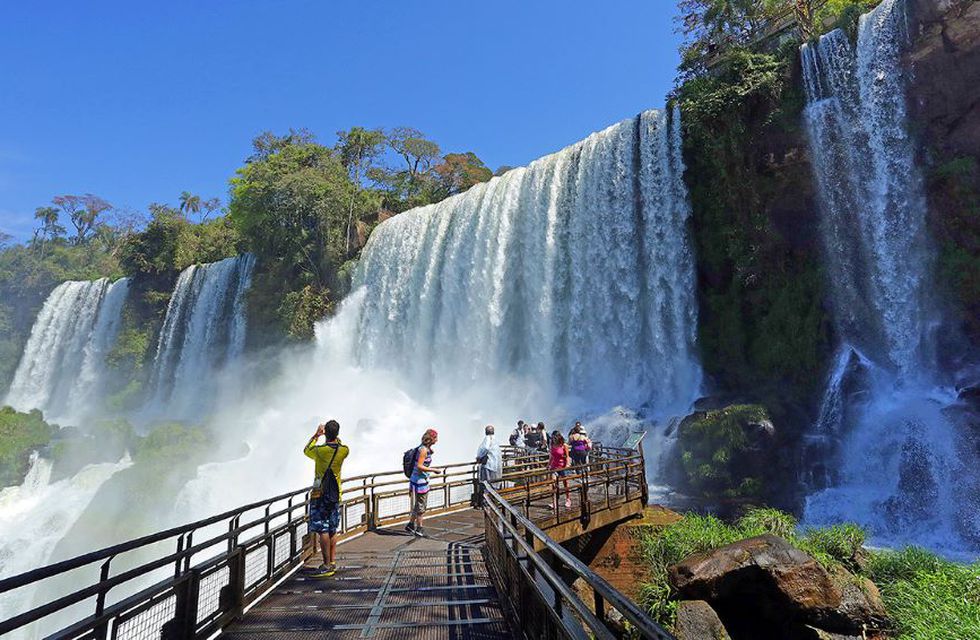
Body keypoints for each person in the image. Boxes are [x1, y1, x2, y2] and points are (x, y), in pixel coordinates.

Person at [303, 419, 349, 578]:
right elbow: (340, 443)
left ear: (325, 433)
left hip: (320, 495)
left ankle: (326, 565)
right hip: (336, 494)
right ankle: (332, 561)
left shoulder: (319, 451)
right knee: (332, 528)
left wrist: (316, 435)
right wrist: (333, 436)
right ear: (337, 434)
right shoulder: (344, 450)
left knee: (322, 529)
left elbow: (306, 450)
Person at [406, 428, 441, 538]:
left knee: (418, 503)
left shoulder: (424, 448)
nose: (437, 440)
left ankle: (411, 525)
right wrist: (434, 470)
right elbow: (420, 466)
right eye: (435, 438)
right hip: (420, 482)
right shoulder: (423, 450)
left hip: (417, 479)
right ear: (431, 439)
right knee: (421, 506)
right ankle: (419, 529)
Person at [475, 424, 502, 506]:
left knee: (486, 484)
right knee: (495, 484)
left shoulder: (488, 438)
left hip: (489, 465)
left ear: (485, 432)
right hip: (497, 465)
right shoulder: (496, 439)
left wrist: (479, 456)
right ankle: (495, 502)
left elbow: (485, 448)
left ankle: (486, 504)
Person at [548, 431, 572, 510]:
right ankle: (554, 502)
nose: (553, 439)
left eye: (554, 437)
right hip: (554, 466)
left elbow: (568, 457)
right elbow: (551, 457)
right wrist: (548, 465)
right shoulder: (552, 445)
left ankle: (568, 499)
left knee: (565, 483)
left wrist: (567, 465)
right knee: (553, 483)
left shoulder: (564, 445)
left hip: (563, 466)